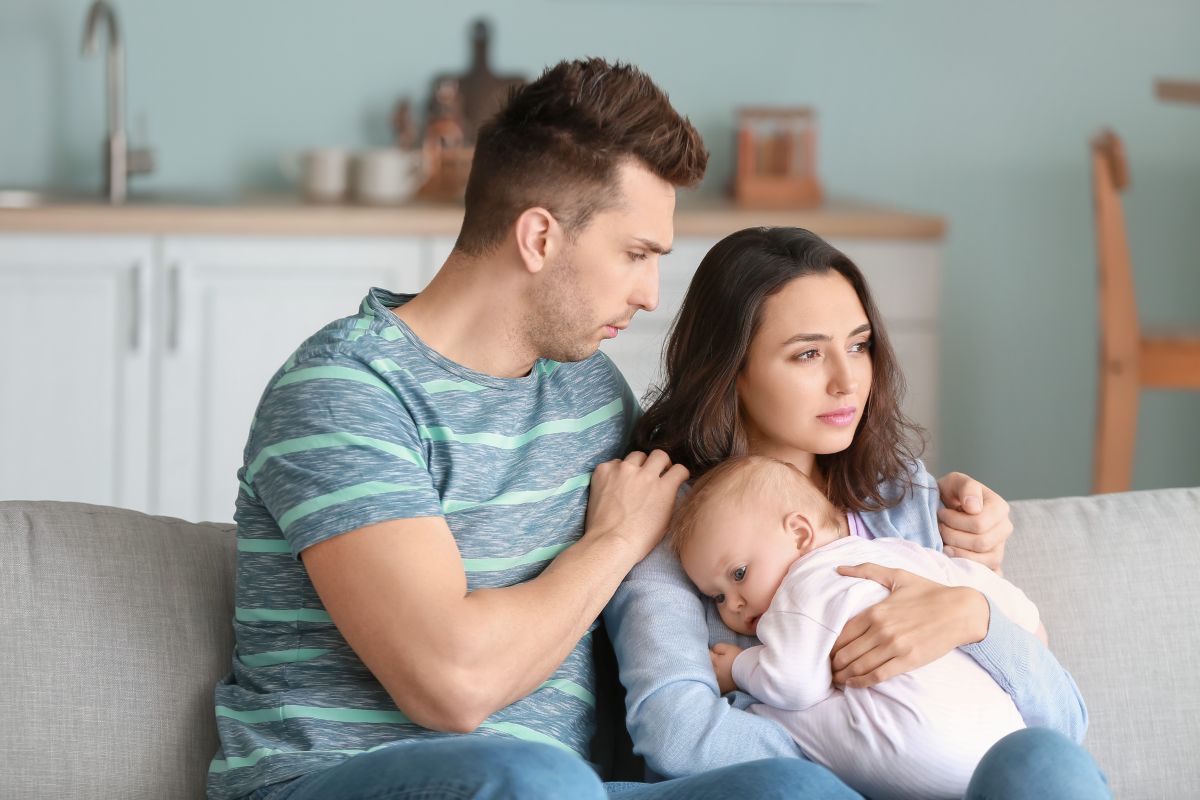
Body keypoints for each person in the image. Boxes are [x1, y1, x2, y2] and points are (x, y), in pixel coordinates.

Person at [209, 60, 857, 800]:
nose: (649, 295)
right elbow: (453, 685)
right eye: (636, 255)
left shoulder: (589, 392)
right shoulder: (346, 391)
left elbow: (746, 526)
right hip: (339, 782)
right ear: (540, 237)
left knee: (790, 790)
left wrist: (951, 573)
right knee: (530, 777)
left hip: (562, 792)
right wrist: (611, 543)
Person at [604, 226, 1111, 798]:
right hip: (806, 789)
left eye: (858, 345)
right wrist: (878, 761)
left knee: (1044, 763)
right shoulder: (676, 524)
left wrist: (976, 618)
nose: (847, 381)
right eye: (809, 353)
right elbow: (678, 734)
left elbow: (1062, 724)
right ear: (732, 368)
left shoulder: (902, 497)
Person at [675, 454, 1055, 800]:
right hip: (1000, 745)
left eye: (738, 574)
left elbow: (792, 684)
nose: (734, 605)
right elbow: (1019, 613)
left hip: (920, 755)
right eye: (717, 597)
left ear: (799, 534)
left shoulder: (798, 590)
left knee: (776, 709)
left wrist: (739, 667)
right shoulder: (899, 552)